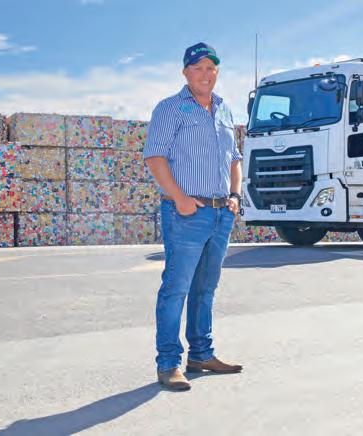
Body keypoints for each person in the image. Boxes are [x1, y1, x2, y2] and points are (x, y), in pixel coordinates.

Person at [143, 42, 244, 391]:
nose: (205, 74)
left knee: (205, 289)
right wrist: (180, 198)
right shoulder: (170, 108)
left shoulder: (224, 109)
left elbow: (235, 159)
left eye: (211, 68)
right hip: (187, 213)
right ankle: (168, 363)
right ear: (185, 72)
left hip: (220, 213)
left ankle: (201, 354)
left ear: (217, 72)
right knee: (176, 289)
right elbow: (155, 157)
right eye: (198, 67)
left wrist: (235, 196)